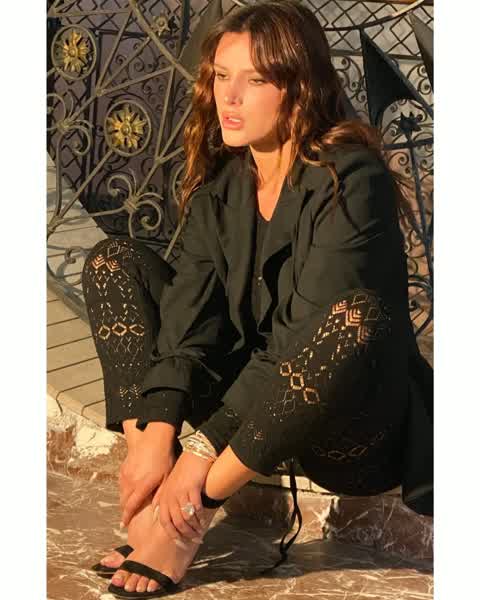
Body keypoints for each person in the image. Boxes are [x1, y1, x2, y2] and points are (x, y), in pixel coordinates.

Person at [81, 1, 433, 597]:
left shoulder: (353, 178)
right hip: (245, 410)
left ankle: (187, 519)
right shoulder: (224, 181)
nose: (229, 96)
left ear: (299, 88)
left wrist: (199, 457)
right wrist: (155, 432)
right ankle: (152, 503)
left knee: (354, 317)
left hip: (345, 428)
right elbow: (187, 318)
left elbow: (301, 340)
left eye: (255, 80)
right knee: (114, 261)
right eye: (222, 76)